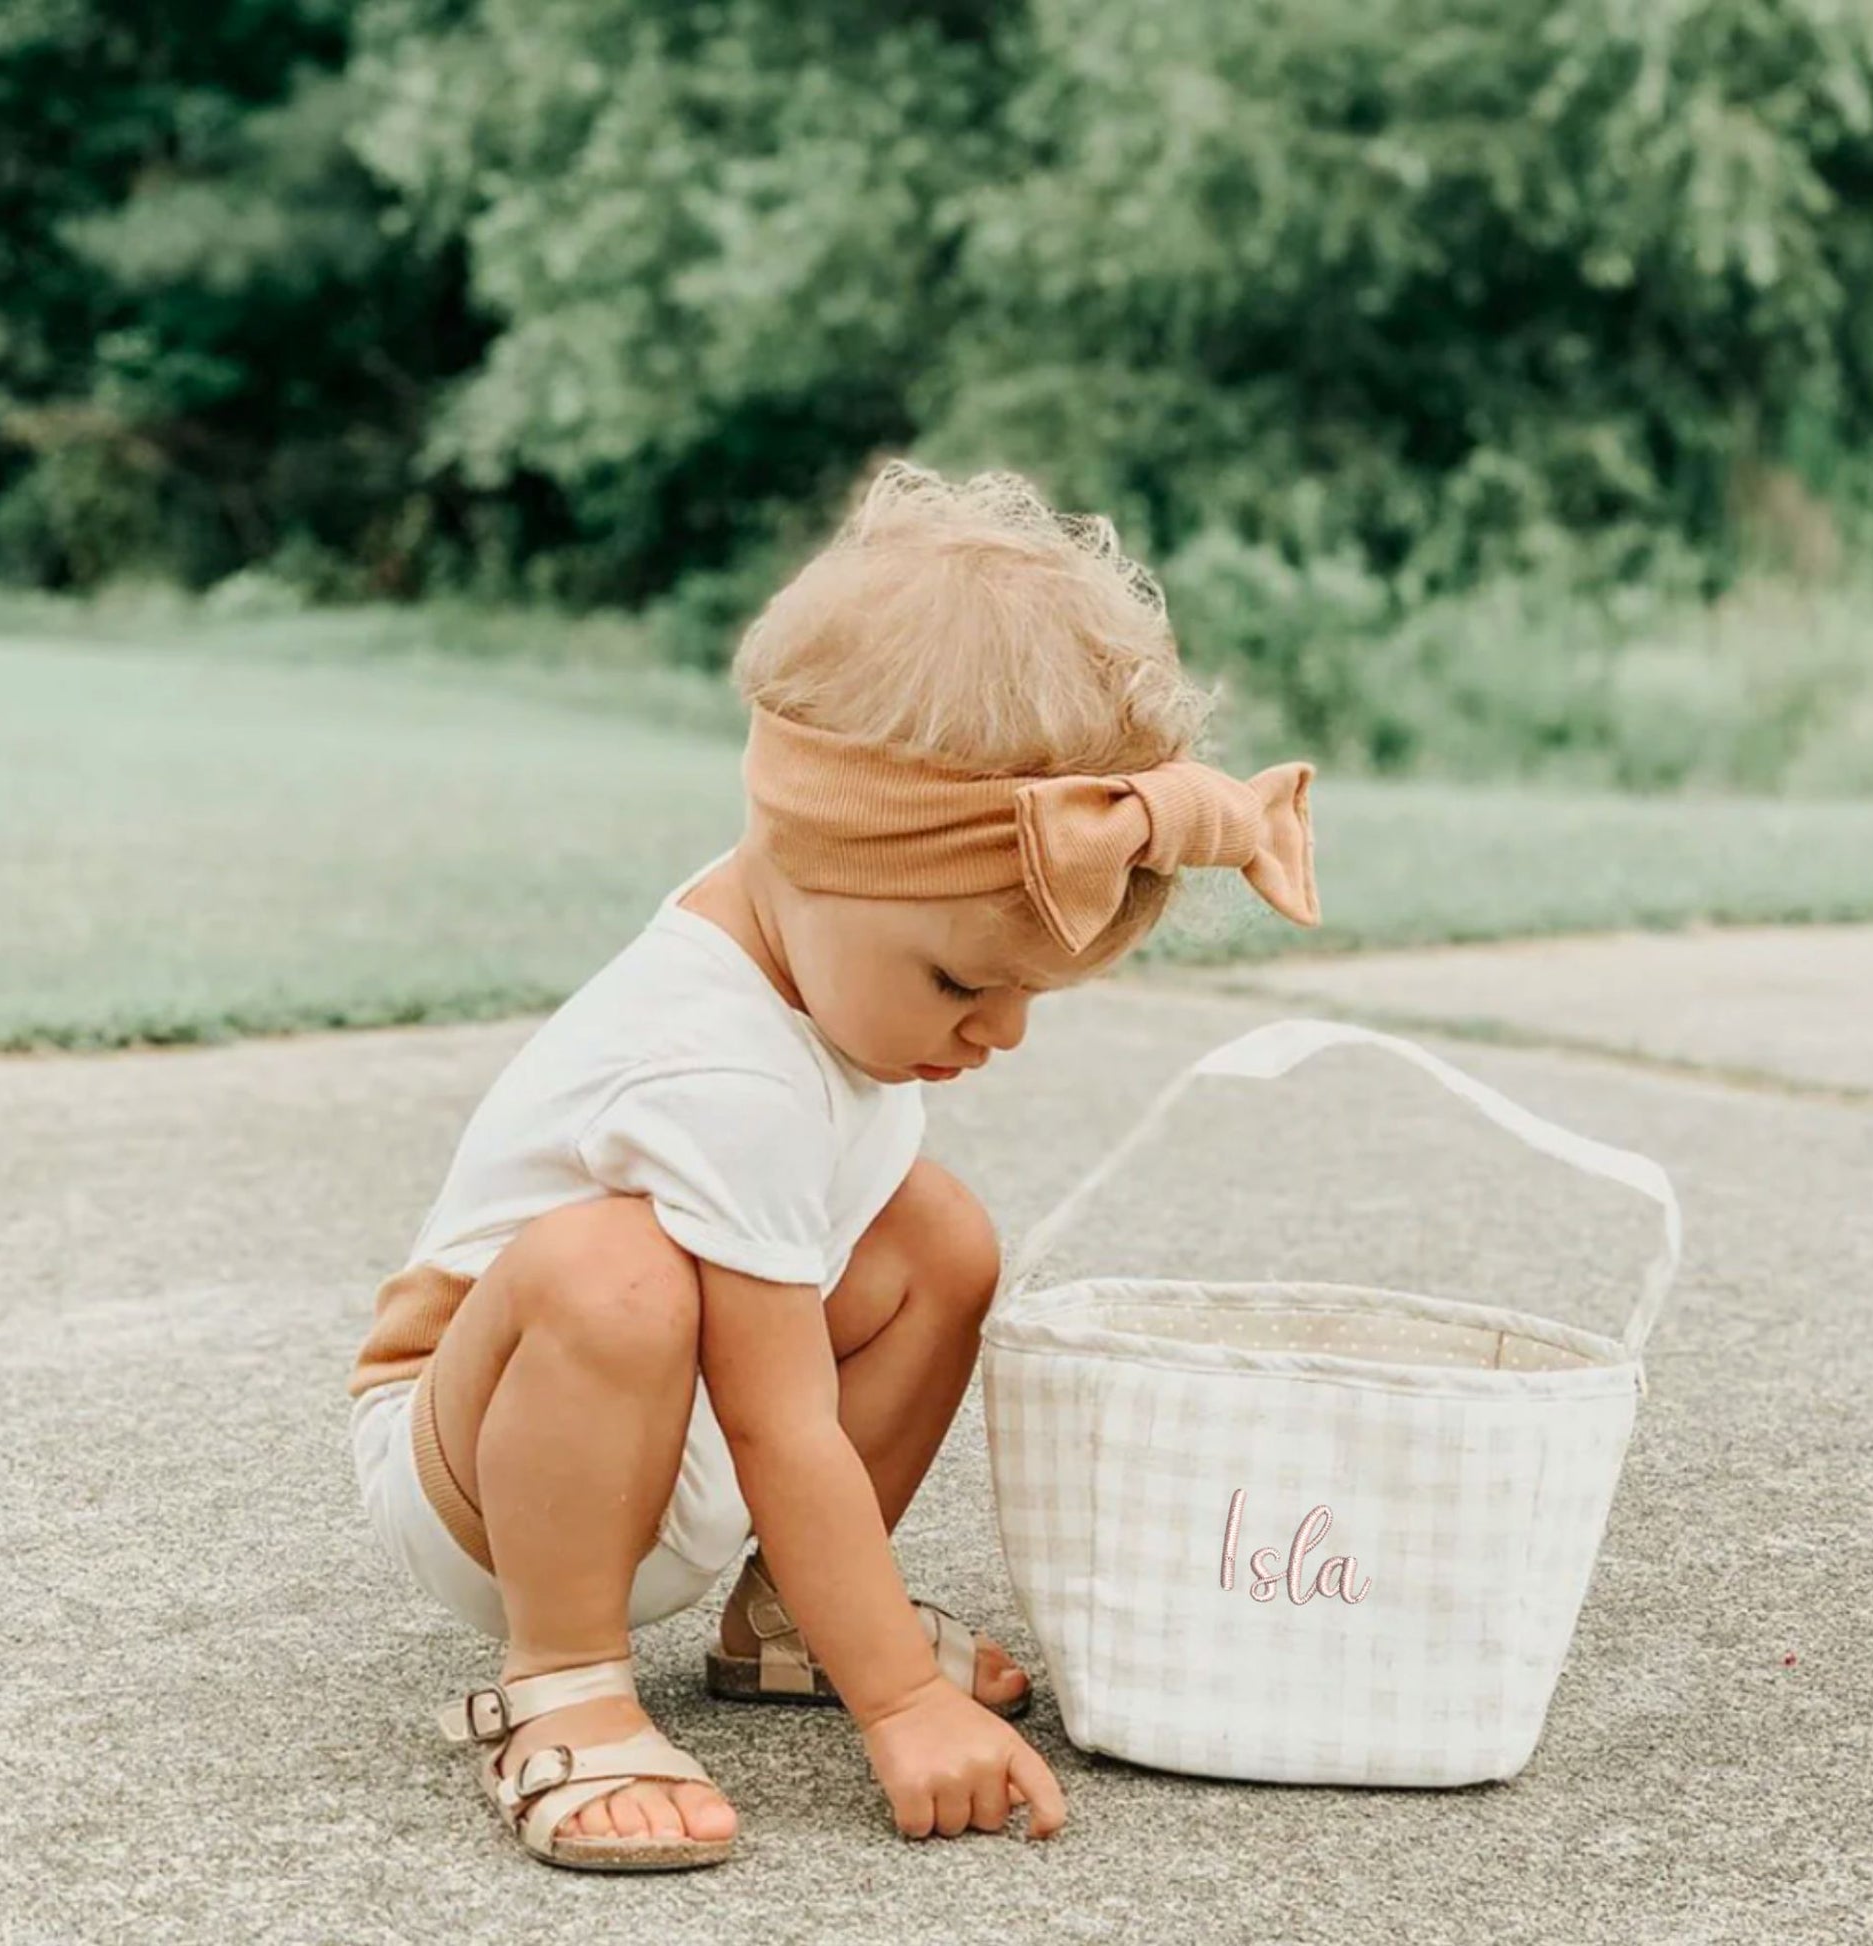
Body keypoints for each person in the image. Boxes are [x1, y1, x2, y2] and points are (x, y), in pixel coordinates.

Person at [345, 459, 1321, 1871]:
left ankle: (784, 1614)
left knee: (939, 1241)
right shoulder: (717, 1065)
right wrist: (903, 1700)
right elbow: (777, 1423)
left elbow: (779, 1377)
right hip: (491, 1475)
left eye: (1031, 996)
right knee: (608, 1270)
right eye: (959, 979)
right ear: (820, 863)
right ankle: (564, 1683)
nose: (997, 1031)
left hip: (673, 1416)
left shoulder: (813, 914)